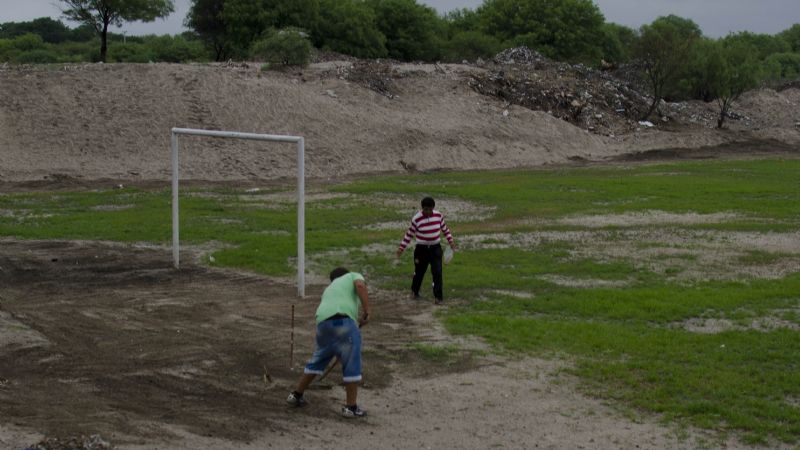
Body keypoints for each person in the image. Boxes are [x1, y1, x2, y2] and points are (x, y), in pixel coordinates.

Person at [286, 267, 371, 418]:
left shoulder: (329, 289)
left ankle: (296, 395)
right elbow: (360, 286)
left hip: (322, 324)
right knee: (352, 363)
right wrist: (367, 311)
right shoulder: (352, 275)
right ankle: (351, 407)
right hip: (343, 322)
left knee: (318, 360)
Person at [395, 196, 456, 305]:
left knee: (437, 272)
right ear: (422, 208)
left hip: (435, 248)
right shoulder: (416, 219)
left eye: (430, 209)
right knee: (419, 272)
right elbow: (409, 234)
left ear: (433, 208)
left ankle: (438, 297)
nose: (428, 212)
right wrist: (401, 248)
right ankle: (415, 291)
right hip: (421, 249)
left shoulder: (438, 216)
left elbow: (445, 229)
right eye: (425, 209)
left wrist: (450, 241)